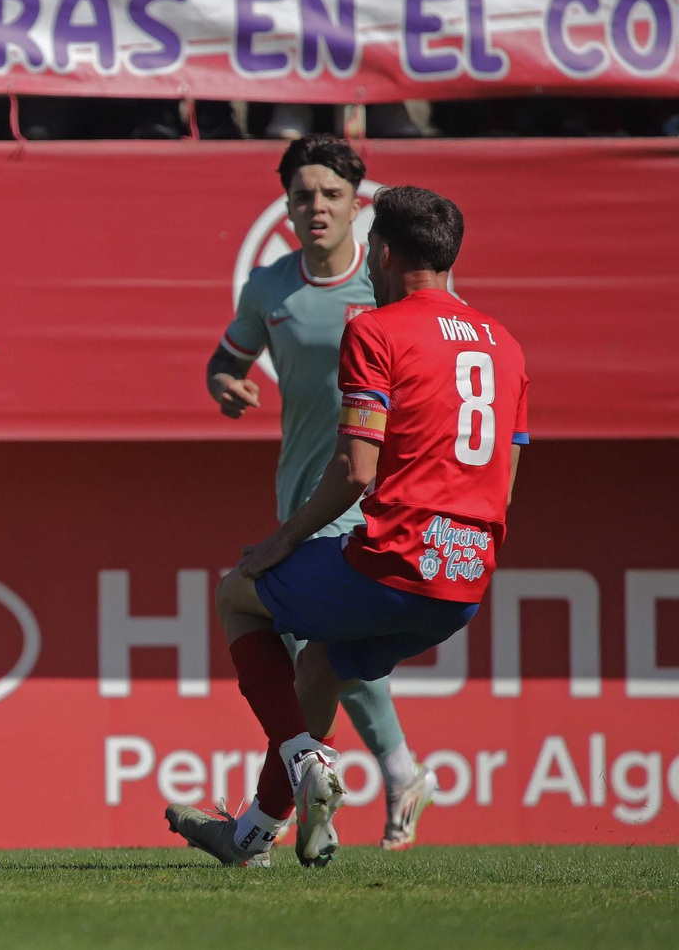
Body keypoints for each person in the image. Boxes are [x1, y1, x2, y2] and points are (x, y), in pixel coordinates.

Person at [169, 185, 527, 867]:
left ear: (383, 253)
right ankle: (251, 838)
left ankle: (308, 760)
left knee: (236, 593)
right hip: (464, 584)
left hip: (394, 562)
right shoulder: (504, 344)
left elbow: (355, 471)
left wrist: (282, 542)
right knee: (321, 668)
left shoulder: (375, 328)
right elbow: (504, 481)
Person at [201, 134, 438, 862]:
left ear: (356, 203)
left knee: (309, 638)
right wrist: (225, 385)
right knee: (321, 652)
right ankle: (338, 798)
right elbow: (225, 359)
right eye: (303, 195)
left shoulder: (386, 286)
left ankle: (334, 792)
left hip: (367, 485)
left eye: (332, 194)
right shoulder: (270, 286)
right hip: (300, 486)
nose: (317, 207)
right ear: (287, 204)